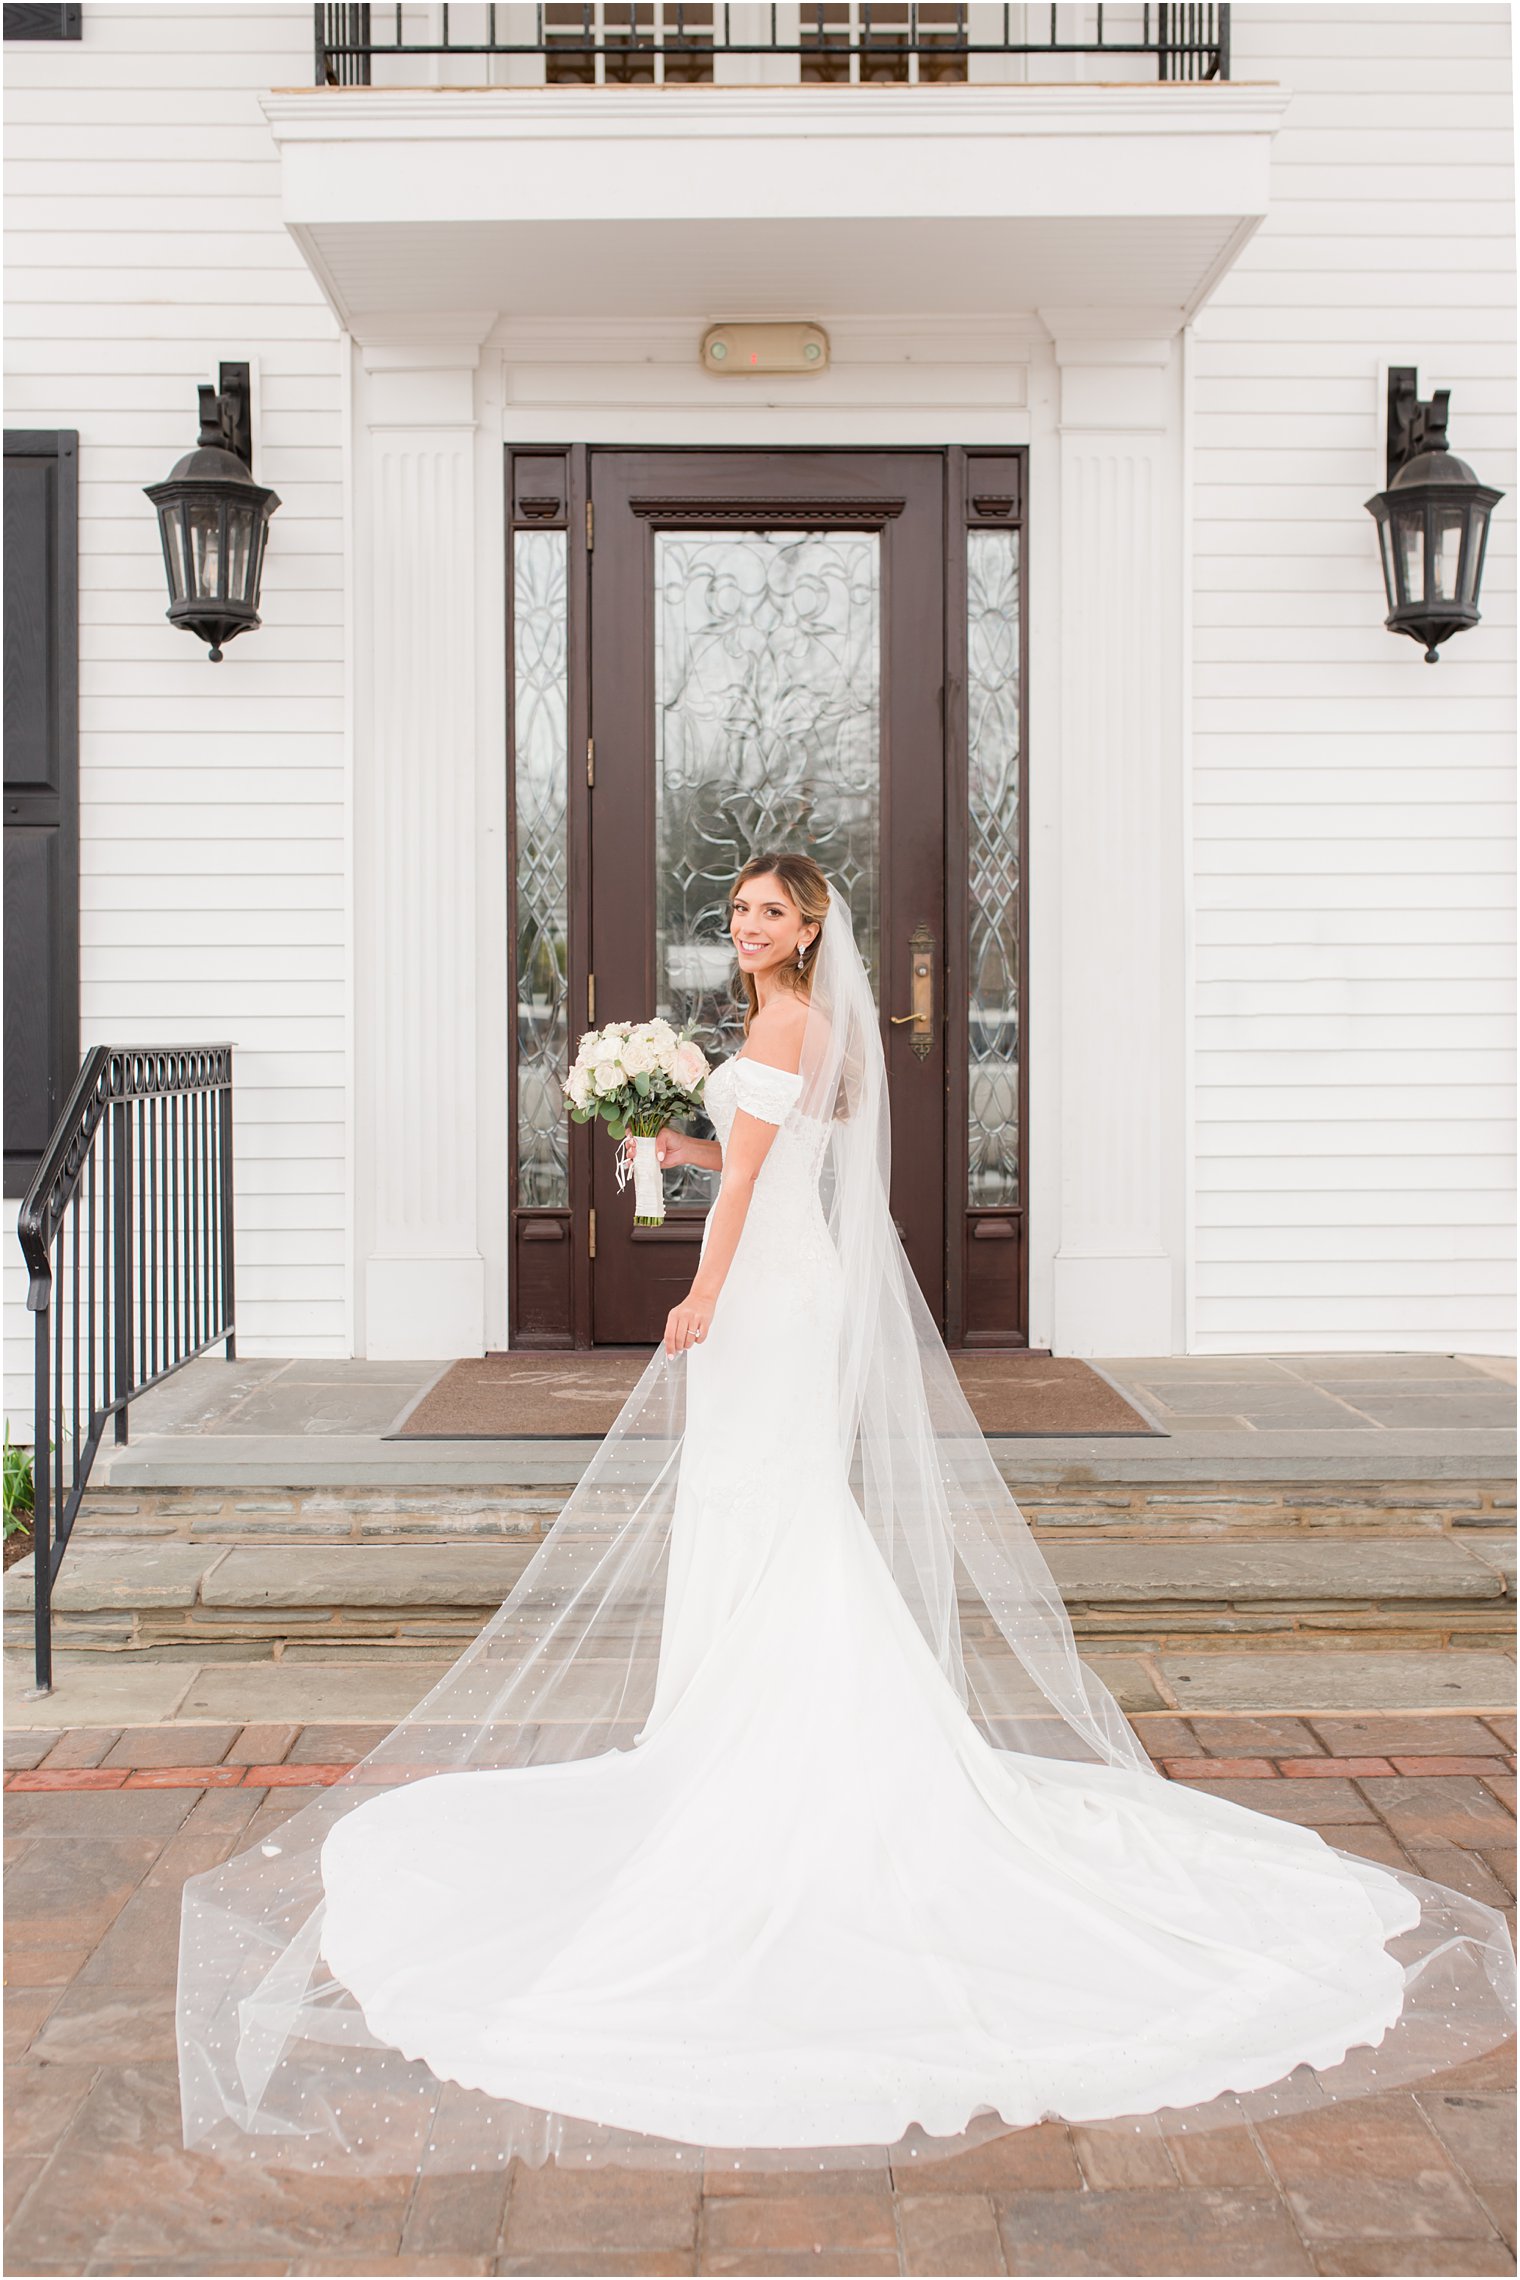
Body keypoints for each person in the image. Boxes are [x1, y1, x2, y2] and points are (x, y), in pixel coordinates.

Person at [177, 852, 1515, 2177]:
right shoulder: (785, 1029)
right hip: (785, 1284)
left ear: (810, 926)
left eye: (768, 911)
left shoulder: (786, 1020)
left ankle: (783, 1739)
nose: (746, 926)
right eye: (739, 910)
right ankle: (742, 1720)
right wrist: (668, 1142)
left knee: (778, 1507)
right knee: (770, 1505)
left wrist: (700, 1291)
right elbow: (744, 1152)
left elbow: (751, 1189)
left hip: (769, 1288)